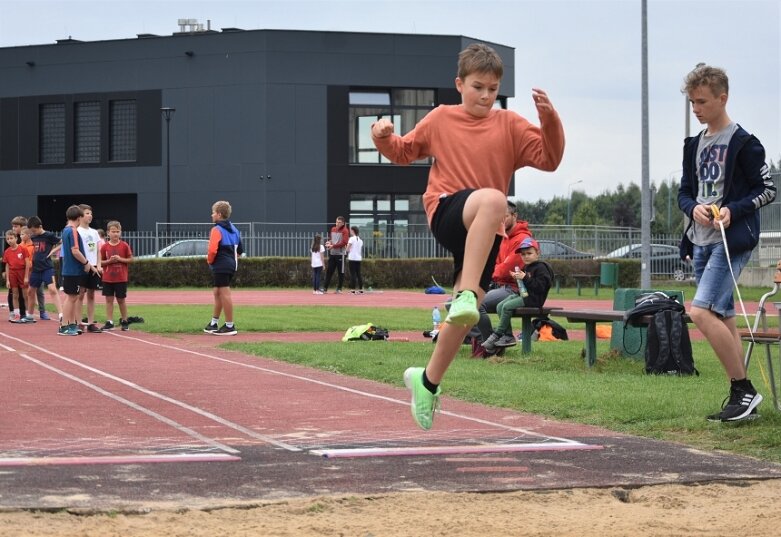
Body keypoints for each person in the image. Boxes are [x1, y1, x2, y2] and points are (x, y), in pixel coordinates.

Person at [372, 43, 564, 429]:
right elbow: (404, 152)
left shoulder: (509, 125)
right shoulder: (441, 118)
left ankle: (426, 382)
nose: (486, 96)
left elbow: (550, 159)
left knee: (468, 312)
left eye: (493, 89)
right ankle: (462, 295)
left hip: (482, 232)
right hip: (446, 211)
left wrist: (550, 122)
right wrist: (381, 135)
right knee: (494, 199)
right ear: (459, 84)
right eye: (478, 87)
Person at [677, 64, 776, 422]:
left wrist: (733, 210)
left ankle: (743, 389)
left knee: (700, 311)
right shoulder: (693, 146)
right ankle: (742, 397)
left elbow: (768, 190)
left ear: (723, 98)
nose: (696, 109)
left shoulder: (745, 144)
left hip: (730, 239)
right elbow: (684, 194)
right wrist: (696, 209)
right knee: (723, 315)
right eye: (691, 103)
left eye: (701, 102)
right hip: (700, 238)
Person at [470, 199, 532, 356]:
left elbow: (505, 270)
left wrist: (495, 270)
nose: (500, 221)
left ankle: (490, 345)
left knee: (475, 304)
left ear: (514, 215)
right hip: (498, 287)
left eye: (504, 216)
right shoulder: (502, 238)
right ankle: (489, 342)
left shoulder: (523, 240)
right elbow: (492, 266)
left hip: (515, 289)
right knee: (456, 302)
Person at [481, 238, 554, 353]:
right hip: (524, 296)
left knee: (507, 306)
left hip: (534, 300)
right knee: (500, 306)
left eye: (529, 253)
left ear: (537, 253)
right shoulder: (526, 267)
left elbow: (540, 287)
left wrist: (525, 278)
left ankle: (497, 334)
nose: (526, 256)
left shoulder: (541, 268)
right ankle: (508, 336)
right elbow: (525, 286)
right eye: (523, 254)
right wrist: (517, 279)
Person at [203, 200, 243, 336]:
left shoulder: (216, 229)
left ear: (219, 214)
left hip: (221, 265)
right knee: (217, 292)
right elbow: (240, 251)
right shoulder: (235, 230)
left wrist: (209, 260)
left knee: (224, 293)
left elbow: (212, 250)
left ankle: (230, 325)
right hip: (230, 265)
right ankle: (214, 323)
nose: (211, 215)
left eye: (213, 212)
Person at [59, 205, 96, 336]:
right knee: (71, 298)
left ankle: (70, 323)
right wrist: (86, 262)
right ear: (79, 217)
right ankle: (64, 326)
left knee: (72, 298)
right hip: (73, 270)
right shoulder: (73, 231)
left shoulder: (65, 230)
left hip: (69, 269)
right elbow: (75, 250)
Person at [26, 215, 63, 325]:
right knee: (30, 291)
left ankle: (61, 314)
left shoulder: (49, 235)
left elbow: (63, 242)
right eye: (32, 231)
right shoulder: (33, 237)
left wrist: (53, 251)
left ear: (40, 226)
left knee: (52, 289)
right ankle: (30, 315)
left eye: (34, 230)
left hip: (47, 267)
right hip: (36, 269)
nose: (34, 232)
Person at [100, 220, 133, 331]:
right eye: (113, 231)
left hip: (121, 278)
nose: (115, 234)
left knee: (121, 300)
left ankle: (124, 320)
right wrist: (109, 261)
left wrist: (120, 259)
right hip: (108, 278)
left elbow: (130, 259)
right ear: (108, 233)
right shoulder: (104, 247)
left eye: (118, 231)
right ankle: (109, 321)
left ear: (120, 232)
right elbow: (100, 262)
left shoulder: (124, 245)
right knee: (109, 300)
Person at [76, 204, 104, 333]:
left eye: (91, 213)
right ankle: (78, 322)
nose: (90, 216)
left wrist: (98, 265)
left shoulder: (94, 232)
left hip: (93, 266)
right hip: (82, 266)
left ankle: (91, 323)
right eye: (87, 213)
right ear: (80, 216)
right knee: (80, 294)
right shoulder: (77, 231)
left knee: (91, 294)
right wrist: (85, 264)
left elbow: (98, 250)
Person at [3, 229, 31, 322]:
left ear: (16, 238)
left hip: (22, 272)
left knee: (25, 295)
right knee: (15, 294)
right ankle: (17, 314)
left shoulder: (22, 249)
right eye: (7, 239)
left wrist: (26, 276)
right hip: (12, 274)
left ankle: (28, 314)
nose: (9, 240)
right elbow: (7, 266)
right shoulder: (7, 252)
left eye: (11, 238)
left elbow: (27, 263)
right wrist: (7, 279)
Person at [321, 216, 349, 294]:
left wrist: (333, 246)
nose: (337, 224)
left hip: (341, 254)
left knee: (341, 272)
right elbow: (332, 239)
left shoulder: (345, 231)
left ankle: (339, 289)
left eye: (339, 222)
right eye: (336, 222)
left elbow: (344, 242)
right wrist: (329, 242)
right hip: (332, 254)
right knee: (329, 271)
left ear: (343, 223)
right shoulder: (333, 229)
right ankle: (325, 288)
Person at [346, 226, 364, 293]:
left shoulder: (351, 239)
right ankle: (361, 289)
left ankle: (353, 289)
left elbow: (347, 249)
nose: (350, 232)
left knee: (353, 274)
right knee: (358, 274)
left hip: (352, 258)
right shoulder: (360, 240)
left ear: (353, 231)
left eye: (350, 230)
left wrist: (346, 248)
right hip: (358, 258)